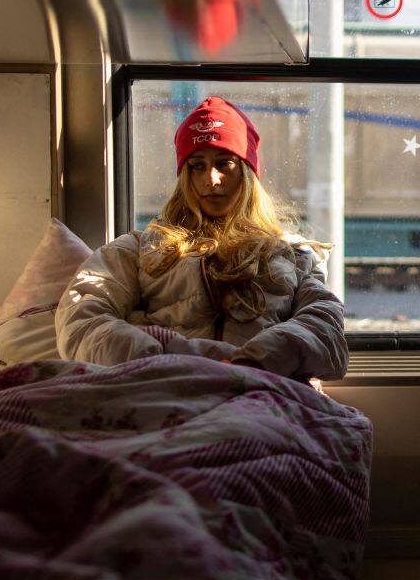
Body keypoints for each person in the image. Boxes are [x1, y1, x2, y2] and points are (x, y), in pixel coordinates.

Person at [56, 96, 348, 381]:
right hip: (164, 389)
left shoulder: (294, 255)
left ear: (247, 173)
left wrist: (259, 361)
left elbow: (324, 329)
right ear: (185, 175)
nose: (212, 179)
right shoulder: (136, 250)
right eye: (197, 165)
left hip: (259, 393)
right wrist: (169, 358)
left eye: (225, 164)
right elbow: (82, 321)